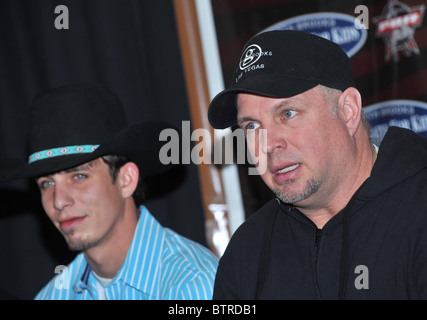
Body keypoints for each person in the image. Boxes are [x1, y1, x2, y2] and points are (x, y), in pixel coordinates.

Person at [208, 30, 427, 299]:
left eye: (288, 113)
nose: (267, 144)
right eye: (252, 126)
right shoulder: (247, 252)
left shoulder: (418, 211)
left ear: (348, 111)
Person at [0, 82, 218, 300]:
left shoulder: (192, 286)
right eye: (46, 184)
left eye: (78, 176)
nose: (59, 201)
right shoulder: (54, 296)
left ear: (126, 179)